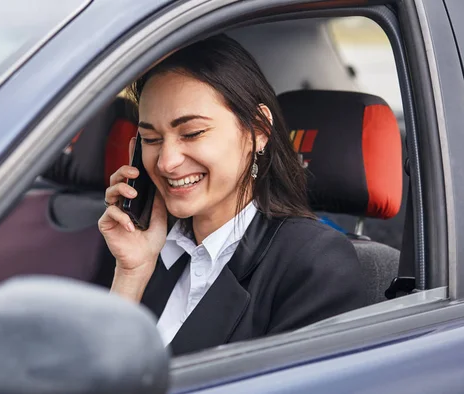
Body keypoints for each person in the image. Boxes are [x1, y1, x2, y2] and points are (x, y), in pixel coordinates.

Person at [98, 34, 367, 356]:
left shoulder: (313, 263)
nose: (167, 162)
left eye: (192, 133)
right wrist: (131, 274)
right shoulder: (142, 250)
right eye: (151, 138)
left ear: (258, 130)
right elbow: (94, 377)